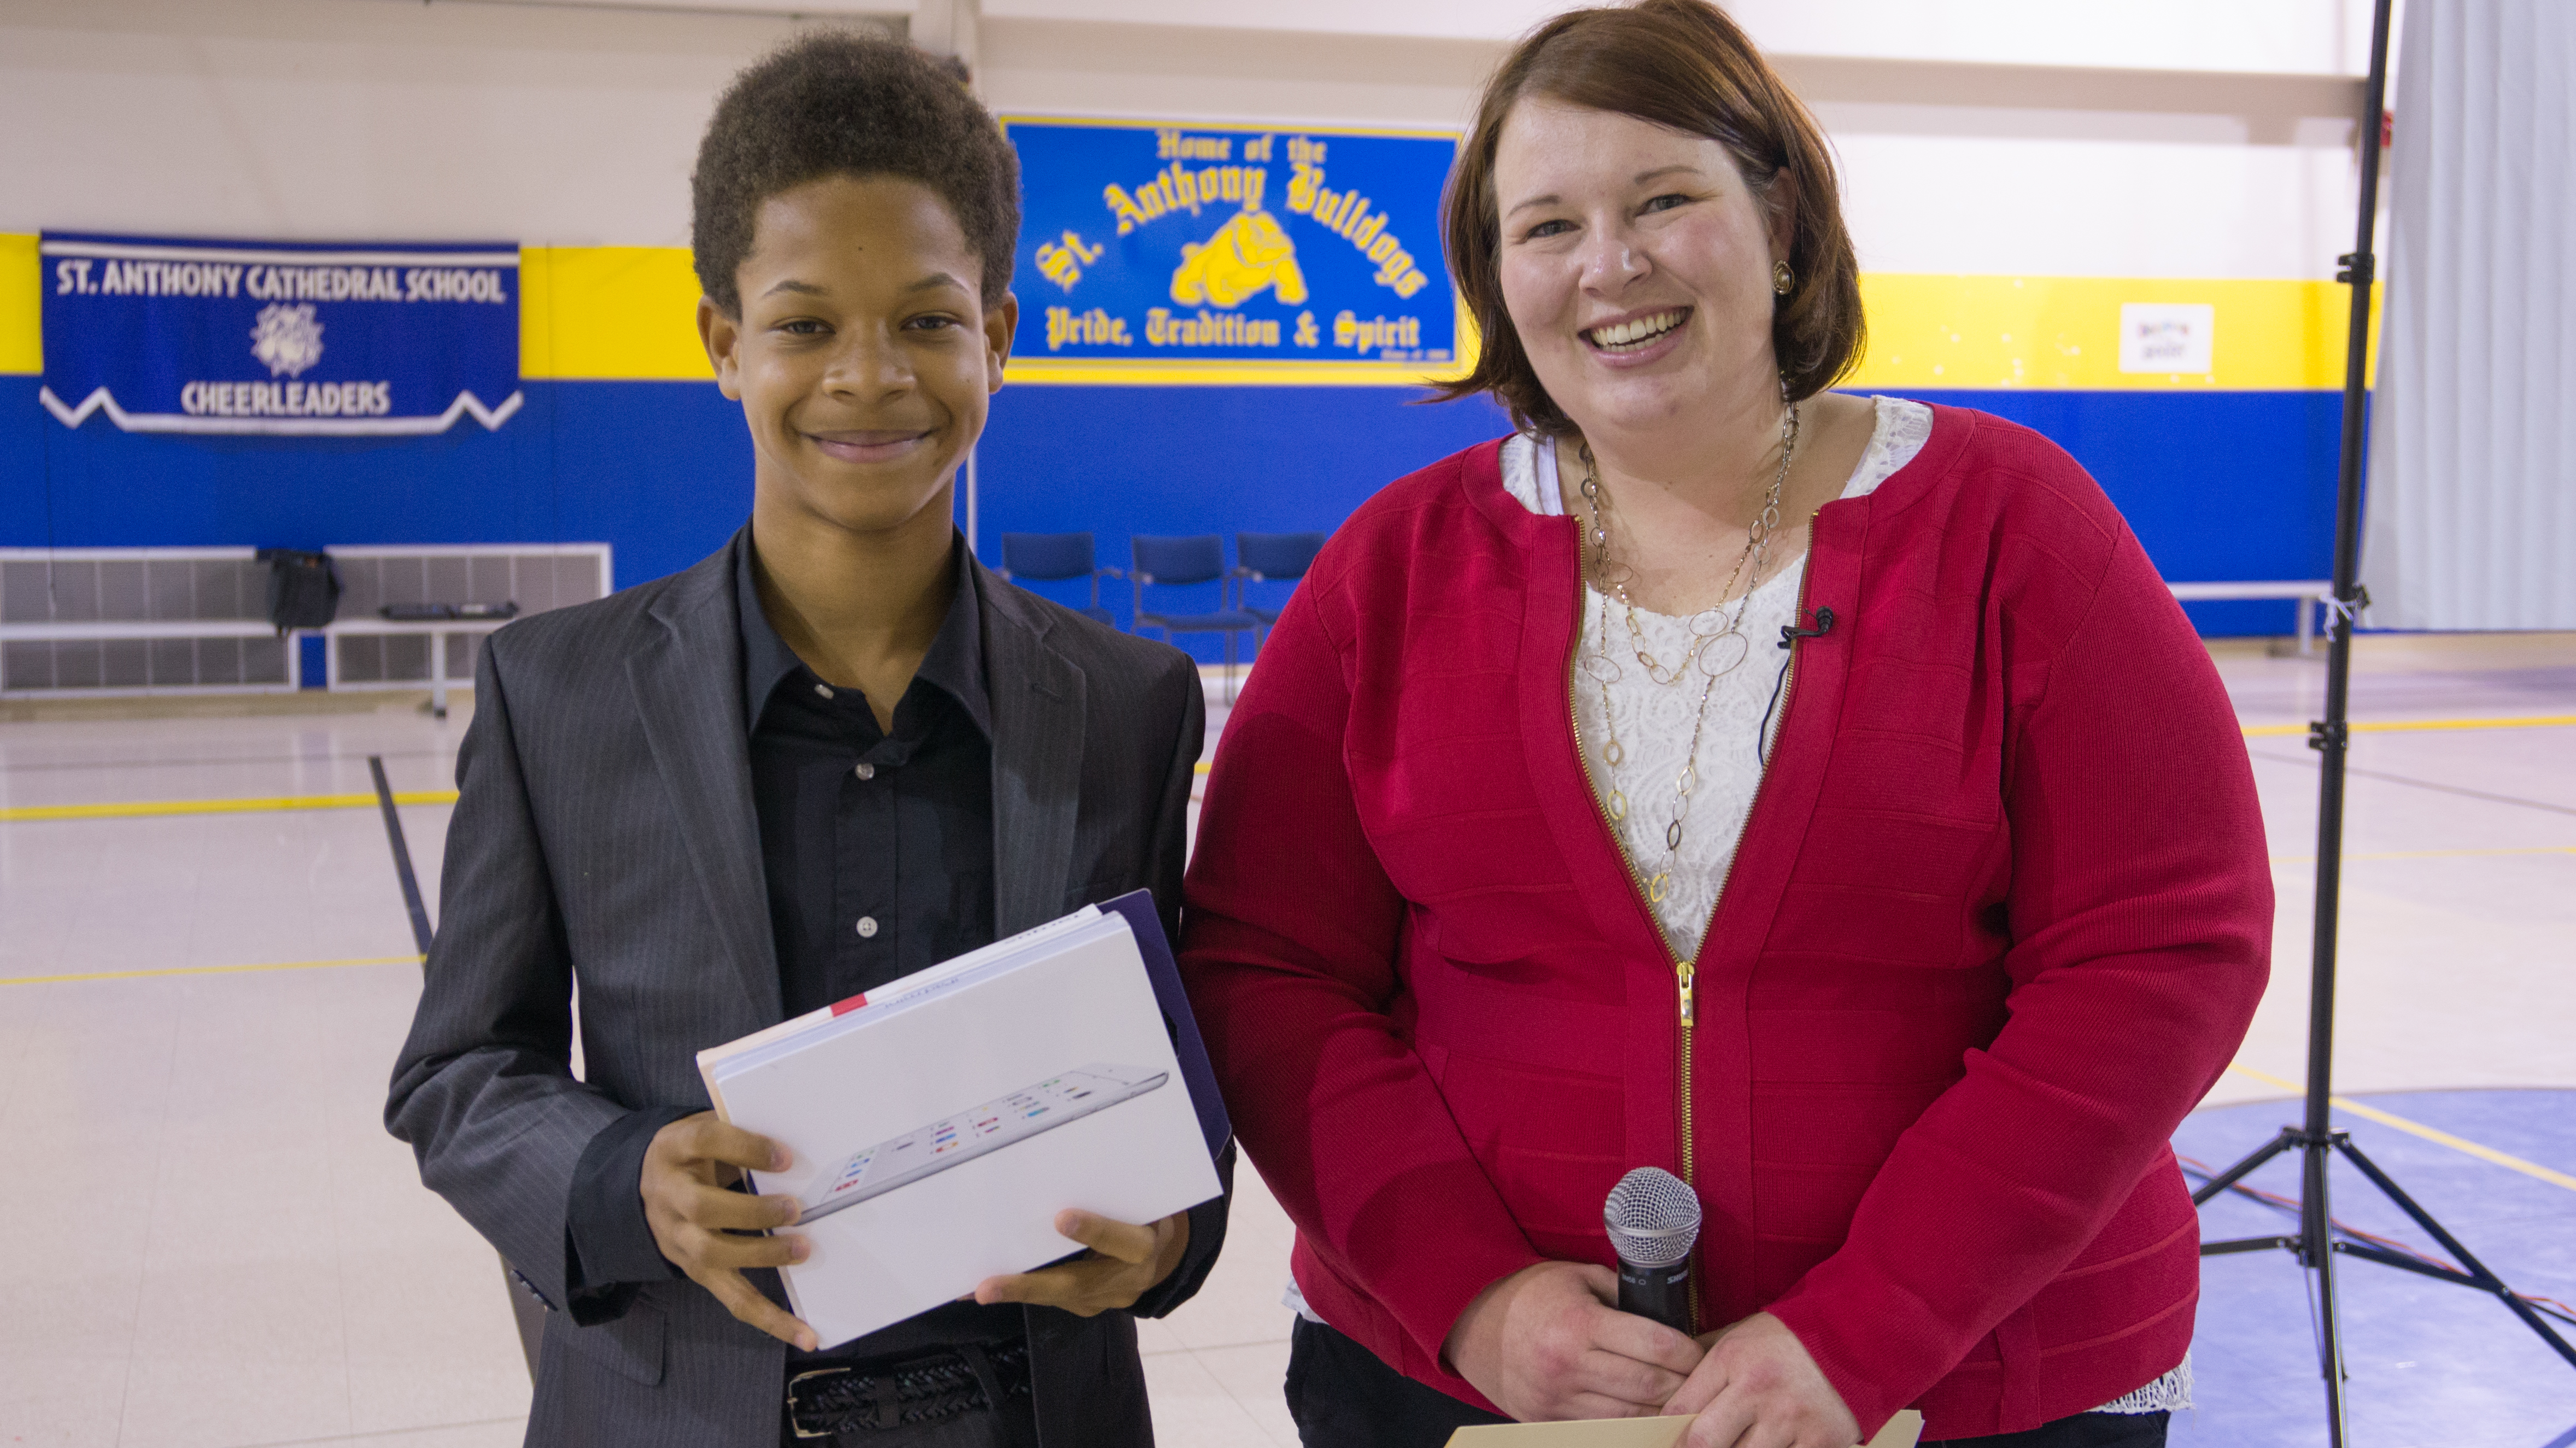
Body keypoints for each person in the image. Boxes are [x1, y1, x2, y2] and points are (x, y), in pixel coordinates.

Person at [1179, 3, 2269, 1446]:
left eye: (1665, 201)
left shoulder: (2018, 529)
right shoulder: (1393, 571)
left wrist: (1871, 1324)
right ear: (1497, 280)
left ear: (1786, 224)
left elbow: (2159, 954)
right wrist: (1474, 1296)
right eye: (1546, 225)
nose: (1609, 264)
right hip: (1465, 1390)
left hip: (1989, 1387)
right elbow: (1267, 965)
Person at [388, 32, 1230, 1448]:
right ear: (723, 344)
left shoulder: (1130, 703)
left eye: (925, 320)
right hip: (680, 1411)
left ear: (999, 337)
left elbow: (1183, 1073)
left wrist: (1171, 1242)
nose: (867, 377)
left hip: (1038, 1412)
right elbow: (459, 1077)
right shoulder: (559, 695)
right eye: (803, 324)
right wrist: (620, 1179)